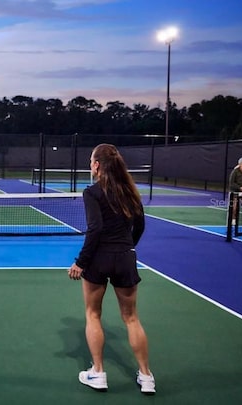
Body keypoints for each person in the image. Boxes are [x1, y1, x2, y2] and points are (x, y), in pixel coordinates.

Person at [67, 143, 155, 395]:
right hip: (126, 257)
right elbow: (140, 226)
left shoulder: (92, 192)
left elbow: (95, 230)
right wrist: (127, 249)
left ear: (96, 165)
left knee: (93, 314)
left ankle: (98, 373)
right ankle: (146, 377)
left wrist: (81, 262)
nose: (90, 165)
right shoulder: (130, 191)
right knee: (132, 318)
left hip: (99, 259)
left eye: (91, 161)